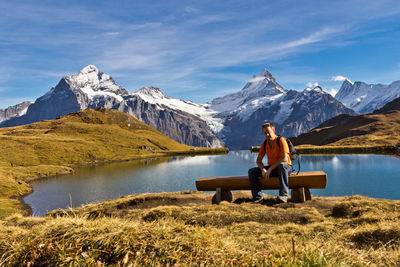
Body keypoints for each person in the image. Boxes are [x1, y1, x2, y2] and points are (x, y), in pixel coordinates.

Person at [248, 122, 292, 203]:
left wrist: (270, 169)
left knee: (282, 165)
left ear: (273, 131)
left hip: (286, 168)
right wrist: (263, 169)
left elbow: (285, 159)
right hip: (273, 169)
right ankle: (258, 198)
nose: (267, 134)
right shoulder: (264, 144)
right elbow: (258, 160)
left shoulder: (281, 140)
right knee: (252, 172)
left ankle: (283, 195)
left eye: (269, 132)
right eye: (265, 133)